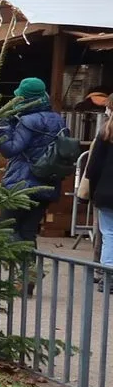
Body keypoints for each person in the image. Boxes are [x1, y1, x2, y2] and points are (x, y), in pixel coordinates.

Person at [0, 76, 70, 244]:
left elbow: (10, 149)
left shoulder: (27, 120)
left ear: (24, 98)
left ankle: (11, 268)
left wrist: (3, 128)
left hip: (21, 182)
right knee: (28, 231)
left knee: (7, 229)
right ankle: (29, 269)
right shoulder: (57, 119)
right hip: (47, 183)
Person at [82, 112, 113, 281]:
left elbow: (92, 168)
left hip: (106, 192)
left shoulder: (105, 133)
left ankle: (108, 275)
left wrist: (93, 192)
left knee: (109, 233)